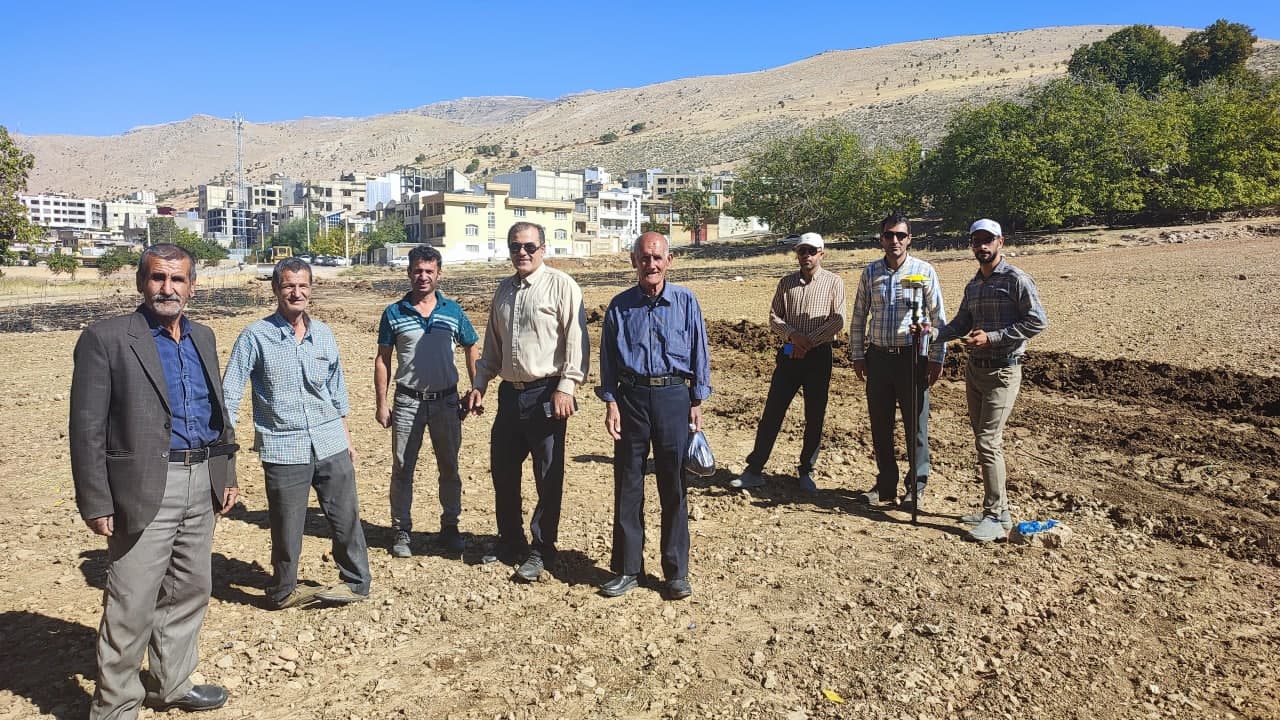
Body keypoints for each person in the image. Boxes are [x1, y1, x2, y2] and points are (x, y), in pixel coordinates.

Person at [70, 243, 239, 717]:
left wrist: (225, 473)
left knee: (188, 590)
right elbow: (86, 426)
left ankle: (173, 683)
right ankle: (116, 706)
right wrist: (96, 500)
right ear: (141, 283)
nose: (168, 288)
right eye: (158, 278)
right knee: (131, 601)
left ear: (193, 286)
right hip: (144, 486)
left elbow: (216, 412)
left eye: (177, 279)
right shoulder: (106, 339)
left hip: (200, 481)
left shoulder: (203, 336)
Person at [222, 258, 371, 607]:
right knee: (287, 526)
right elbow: (230, 394)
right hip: (284, 446)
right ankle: (284, 590)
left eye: (303, 285)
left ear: (311, 289)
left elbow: (336, 392)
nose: (296, 292)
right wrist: (224, 451)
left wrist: (347, 440)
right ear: (276, 289)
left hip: (330, 441)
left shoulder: (324, 335)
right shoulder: (255, 337)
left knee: (346, 518)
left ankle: (356, 583)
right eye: (289, 285)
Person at [464, 222, 589, 582]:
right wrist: (479, 384)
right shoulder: (504, 290)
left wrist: (567, 386)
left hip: (547, 393)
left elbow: (577, 341)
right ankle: (511, 540)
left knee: (547, 475)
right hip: (510, 394)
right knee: (503, 470)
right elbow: (492, 347)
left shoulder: (561, 285)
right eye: (515, 246)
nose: (522, 252)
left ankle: (542, 547)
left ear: (542, 249)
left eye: (529, 247)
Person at [597, 232, 711, 600]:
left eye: (657, 257)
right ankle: (628, 569)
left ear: (669, 260)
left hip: (674, 397)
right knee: (628, 483)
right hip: (631, 399)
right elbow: (607, 359)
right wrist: (611, 402)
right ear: (634, 261)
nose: (651, 264)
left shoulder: (686, 301)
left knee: (673, 485)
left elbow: (700, 351)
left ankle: (676, 573)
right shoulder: (619, 306)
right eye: (644, 258)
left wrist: (697, 399)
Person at [932, 219, 1048, 542]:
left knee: (987, 441)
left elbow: (1037, 321)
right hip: (975, 371)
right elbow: (961, 323)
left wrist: (993, 337)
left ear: (1000, 242)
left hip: (1003, 370)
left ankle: (995, 517)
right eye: (976, 241)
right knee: (983, 441)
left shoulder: (1016, 280)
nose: (981, 246)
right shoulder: (974, 285)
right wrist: (932, 333)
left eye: (987, 240)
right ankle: (999, 510)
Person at [375, 244, 480, 557]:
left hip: (446, 402)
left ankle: (450, 527)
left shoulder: (453, 311)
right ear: (409, 273)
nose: (423, 276)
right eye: (418, 271)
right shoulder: (394, 313)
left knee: (449, 466)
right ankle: (401, 530)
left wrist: (476, 388)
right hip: (407, 402)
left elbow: (471, 346)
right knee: (402, 467)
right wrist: (381, 403)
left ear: (439, 274)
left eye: (429, 271)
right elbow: (383, 359)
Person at [732, 232, 845, 492]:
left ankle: (806, 471)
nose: (806, 256)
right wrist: (793, 337)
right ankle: (754, 469)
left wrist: (808, 342)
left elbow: (837, 320)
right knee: (772, 412)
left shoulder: (834, 282)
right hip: (789, 354)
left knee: (814, 416)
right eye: (802, 251)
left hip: (818, 356)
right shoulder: (786, 283)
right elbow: (774, 317)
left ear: (822, 254)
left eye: (811, 251)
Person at [849, 212, 947, 507]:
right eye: (889, 235)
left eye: (900, 235)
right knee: (880, 425)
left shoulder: (924, 271)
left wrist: (936, 358)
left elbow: (938, 317)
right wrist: (858, 354)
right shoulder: (870, 273)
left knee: (915, 427)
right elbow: (858, 316)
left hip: (911, 359)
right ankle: (886, 485)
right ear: (881, 239)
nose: (895, 240)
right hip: (878, 358)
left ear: (909, 239)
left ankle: (916, 487)